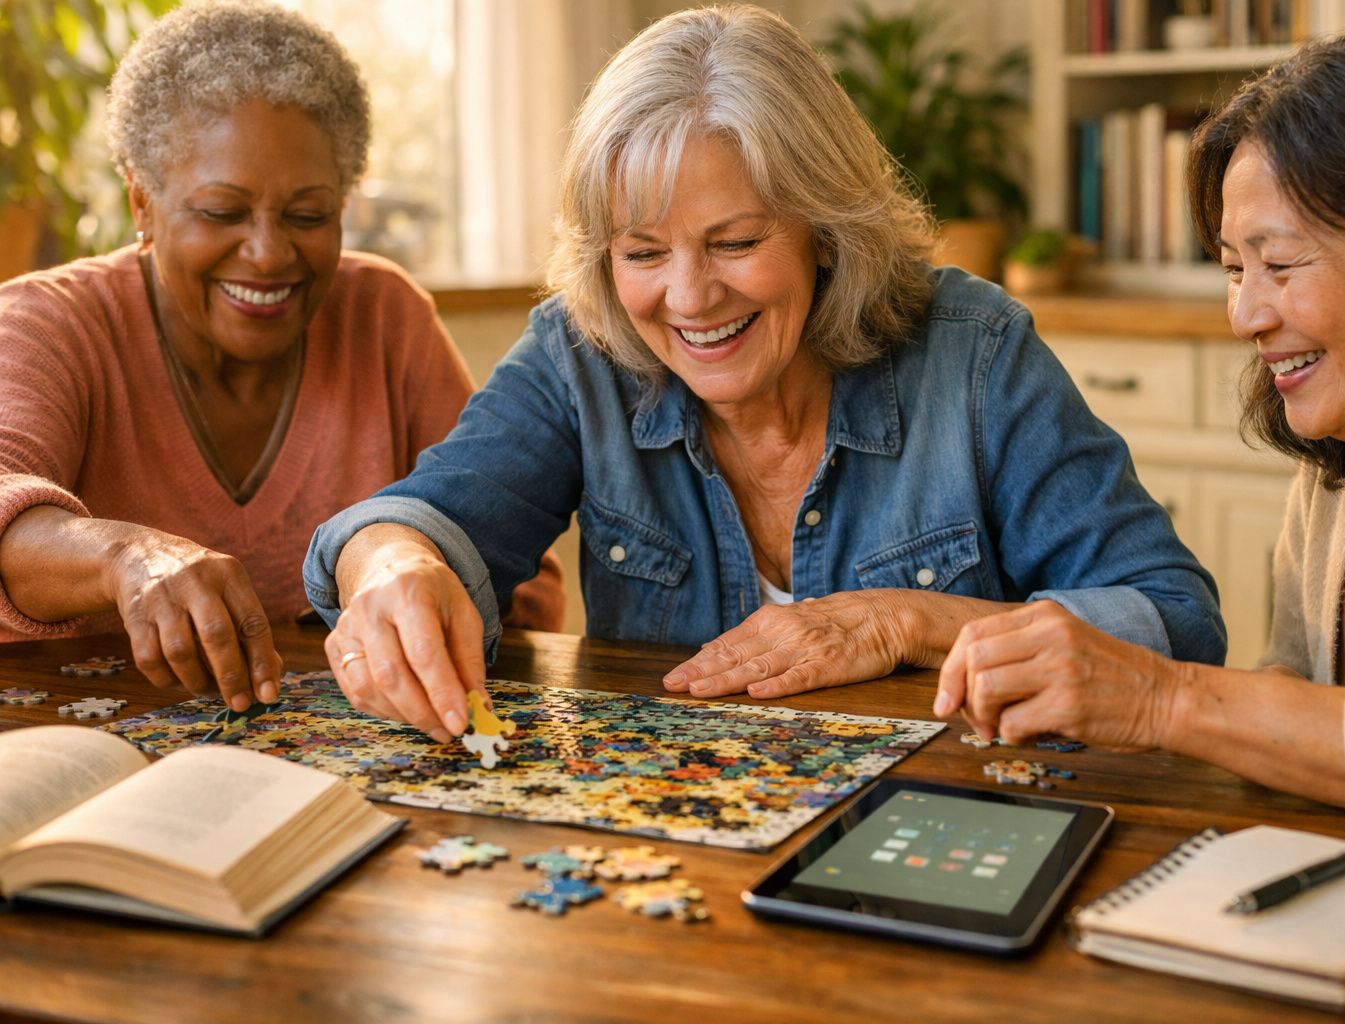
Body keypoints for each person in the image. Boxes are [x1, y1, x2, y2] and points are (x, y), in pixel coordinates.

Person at [303, 4, 1222, 745]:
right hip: (679, 843)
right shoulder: (582, 351)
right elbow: (424, 517)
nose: (689, 297)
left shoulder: (974, 351)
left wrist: (904, 622)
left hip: (938, 836)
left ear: (827, 230)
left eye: (736, 243)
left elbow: (1174, 619)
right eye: (643, 251)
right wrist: (391, 563)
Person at [937, 27, 1345, 840]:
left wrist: (1165, 698)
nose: (1245, 316)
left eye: (1281, 264)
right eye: (1232, 268)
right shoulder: (1337, 478)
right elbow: (1291, 699)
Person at [0, 0, 563, 715]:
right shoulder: (47, 323)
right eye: (222, 212)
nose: (268, 253)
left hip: (364, 766)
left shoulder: (385, 316)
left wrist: (401, 585)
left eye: (308, 216)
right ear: (141, 201)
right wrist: (123, 558)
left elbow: (525, 578)